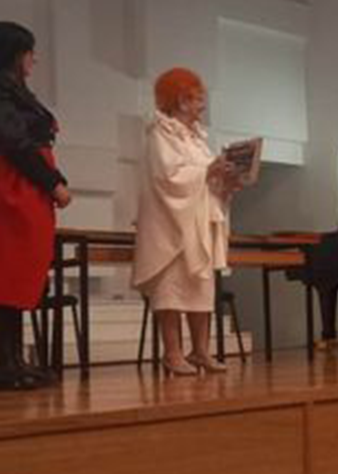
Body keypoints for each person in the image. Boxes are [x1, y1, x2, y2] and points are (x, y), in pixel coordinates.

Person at [0, 21, 71, 390]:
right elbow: (14, 142)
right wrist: (53, 182)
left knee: (19, 272)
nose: (34, 59)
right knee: (2, 272)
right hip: (5, 185)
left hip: (21, 184)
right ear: (13, 55)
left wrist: (50, 180)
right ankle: (2, 366)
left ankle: (14, 360)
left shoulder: (8, 89)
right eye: (29, 52)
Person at [133, 67, 241, 376]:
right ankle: (173, 353)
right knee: (172, 289)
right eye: (197, 99)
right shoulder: (160, 133)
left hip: (197, 222)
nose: (202, 106)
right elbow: (168, 176)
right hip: (170, 225)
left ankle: (200, 351)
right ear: (181, 100)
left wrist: (227, 180)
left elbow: (206, 180)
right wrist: (209, 171)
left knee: (200, 288)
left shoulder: (196, 138)